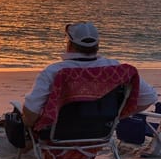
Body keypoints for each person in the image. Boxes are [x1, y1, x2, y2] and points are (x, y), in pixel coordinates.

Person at [21, 22, 158, 128]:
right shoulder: (116, 69)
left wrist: (29, 122)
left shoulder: (54, 71)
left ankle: (30, 147)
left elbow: (31, 114)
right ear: (97, 45)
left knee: (19, 118)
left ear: (70, 44)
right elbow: (149, 97)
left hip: (57, 136)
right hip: (99, 133)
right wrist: (116, 117)